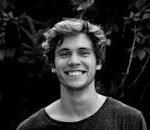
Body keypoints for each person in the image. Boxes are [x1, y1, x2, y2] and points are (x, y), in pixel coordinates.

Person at [17, 18, 147, 130]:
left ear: (98, 62)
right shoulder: (30, 127)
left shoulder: (129, 121)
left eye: (83, 52)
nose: (74, 61)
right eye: (64, 54)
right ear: (52, 64)